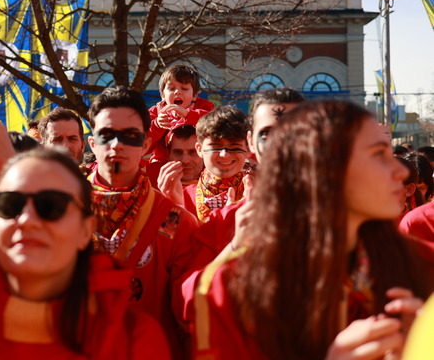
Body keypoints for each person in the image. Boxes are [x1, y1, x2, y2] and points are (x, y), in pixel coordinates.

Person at [186, 100, 432, 360]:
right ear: (321, 169)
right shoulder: (230, 287)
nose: (399, 170)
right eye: (378, 155)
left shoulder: (423, 262)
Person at [0, 134, 171, 359]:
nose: (27, 219)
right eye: (11, 204)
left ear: (85, 229)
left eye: (50, 206)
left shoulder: (131, 338)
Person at [86, 86, 198, 359]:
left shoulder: (177, 222)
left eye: (130, 136)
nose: (117, 145)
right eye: (106, 135)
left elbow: (191, 316)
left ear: (146, 145)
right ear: (92, 144)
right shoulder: (58, 213)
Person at [184, 87, 305, 270]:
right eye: (268, 134)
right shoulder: (184, 200)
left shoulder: (337, 204)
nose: (281, 144)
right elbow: (192, 284)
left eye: (294, 132)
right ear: (252, 142)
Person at [182, 105, 249, 221]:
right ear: (199, 149)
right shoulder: (183, 198)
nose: (224, 154)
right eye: (215, 146)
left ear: (248, 149)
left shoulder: (263, 195)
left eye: (235, 146)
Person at [147, 64, 215, 163]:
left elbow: (215, 126)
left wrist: (189, 115)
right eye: (171, 88)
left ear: (194, 96)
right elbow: (143, 147)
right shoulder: (155, 113)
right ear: (162, 95)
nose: (177, 92)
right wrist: (157, 125)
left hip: (198, 163)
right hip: (164, 162)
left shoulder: (204, 107)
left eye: (184, 88)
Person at [146, 124, 204, 191]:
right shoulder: (148, 178)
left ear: (203, 152)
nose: (185, 160)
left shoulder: (213, 180)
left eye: (192, 152)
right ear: (168, 154)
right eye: (178, 152)